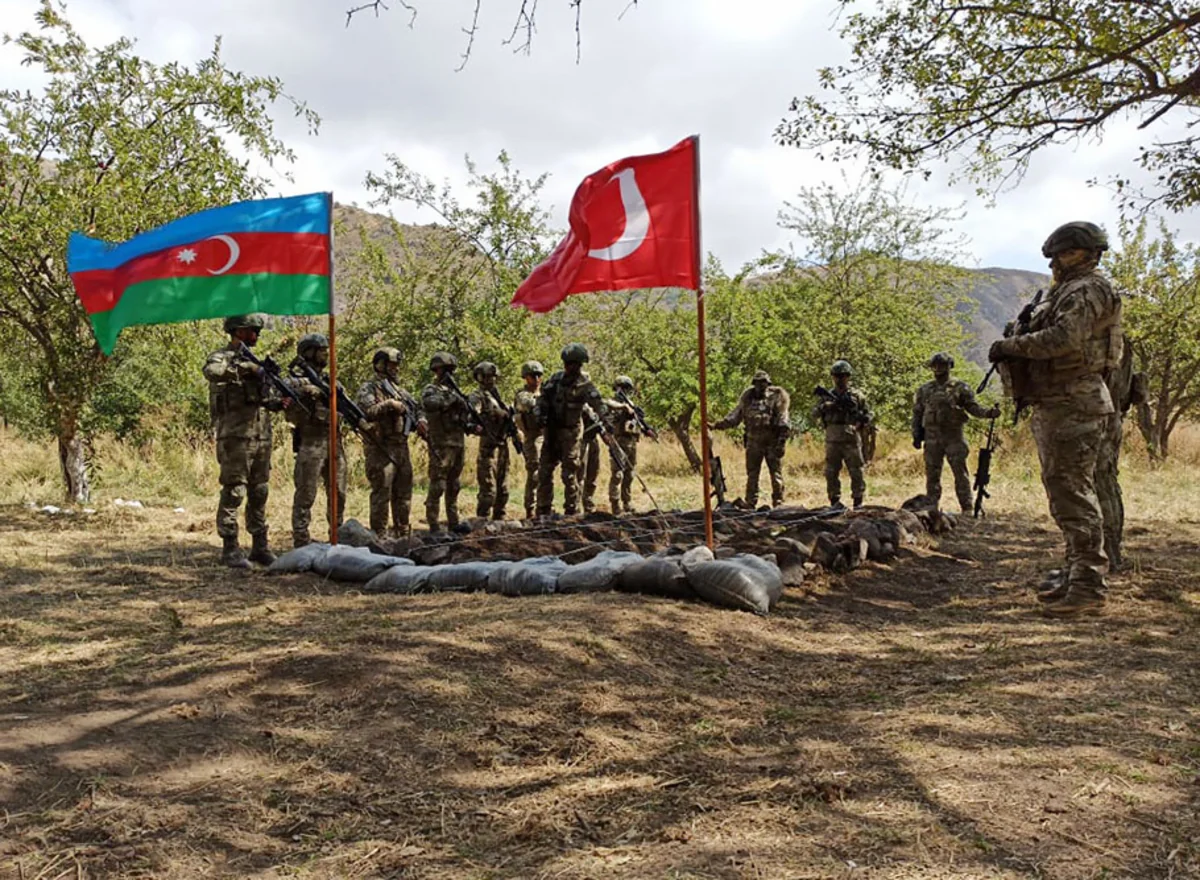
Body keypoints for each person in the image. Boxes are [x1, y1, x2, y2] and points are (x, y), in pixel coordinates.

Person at [988, 221, 1122, 617]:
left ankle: (1088, 587)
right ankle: (1076, 572)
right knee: (1066, 492)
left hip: (1073, 401)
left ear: (1082, 253)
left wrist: (1009, 346)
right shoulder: (1069, 289)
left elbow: (1065, 339)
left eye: (1064, 255)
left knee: (1073, 494)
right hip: (1060, 401)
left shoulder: (1086, 290)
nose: (1057, 263)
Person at [203, 314, 279, 568]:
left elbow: (266, 399)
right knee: (235, 491)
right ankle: (231, 548)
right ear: (236, 331)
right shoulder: (222, 357)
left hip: (261, 436)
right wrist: (243, 368)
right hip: (234, 436)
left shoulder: (257, 361)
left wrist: (278, 401)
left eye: (257, 331)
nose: (256, 335)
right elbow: (212, 372)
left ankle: (260, 546)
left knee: (260, 491)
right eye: (250, 331)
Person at [912, 352, 1001, 513]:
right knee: (932, 474)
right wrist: (916, 434)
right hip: (931, 437)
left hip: (954, 436)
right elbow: (917, 413)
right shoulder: (924, 389)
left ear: (949, 366)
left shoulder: (960, 388)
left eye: (942, 365)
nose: (939, 369)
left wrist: (988, 413)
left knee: (960, 473)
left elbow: (973, 407)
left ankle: (966, 506)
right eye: (936, 365)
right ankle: (932, 507)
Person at [284, 333, 347, 548]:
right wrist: (305, 390)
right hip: (311, 441)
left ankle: (337, 535)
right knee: (306, 492)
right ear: (309, 352)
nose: (326, 354)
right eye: (321, 350)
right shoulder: (297, 379)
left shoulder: (331, 381)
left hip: (334, 441)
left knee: (338, 491)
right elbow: (283, 393)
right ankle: (301, 539)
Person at [357, 347, 427, 539]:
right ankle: (380, 535)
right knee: (382, 493)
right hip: (381, 448)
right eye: (392, 364)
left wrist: (421, 421)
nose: (396, 368)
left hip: (401, 447)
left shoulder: (400, 390)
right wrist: (389, 405)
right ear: (381, 365)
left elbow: (417, 408)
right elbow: (367, 411)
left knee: (404, 492)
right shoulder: (369, 387)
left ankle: (402, 533)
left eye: (397, 364)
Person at [535, 343, 607, 516]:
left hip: (571, 434)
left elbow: (599, 404)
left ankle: (571, 510)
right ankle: (543, 510)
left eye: (576, 365)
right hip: (551, 432)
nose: (572, 368)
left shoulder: (585, 384)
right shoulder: (555, 379)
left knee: (570, 474)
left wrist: (606, 421)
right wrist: (540, 415)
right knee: (544, 471)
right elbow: (542, 399)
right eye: (569, 364)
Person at [711, 370, 790, 508]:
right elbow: (734, 417)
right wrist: (717, 425)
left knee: (776, 473)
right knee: (752, 474)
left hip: (771, 441)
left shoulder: (776, 397)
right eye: (757, 383)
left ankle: (778, 502)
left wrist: (781, 442)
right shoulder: (747, 398)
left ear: (768, 383)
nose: (760, 386)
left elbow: (784, 420)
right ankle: (750, 502)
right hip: (753, 441)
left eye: (763, 383)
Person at [421, 352, 481, 533]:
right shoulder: (431, 390)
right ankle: (433, 524)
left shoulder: (456, 393)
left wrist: (472, 425)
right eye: (444, 370)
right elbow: (430, 404)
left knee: (454, 485)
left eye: (450, 370)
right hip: (441, 444)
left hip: (457, 444)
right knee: (438, 485)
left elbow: (462, 420)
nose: (448, 374)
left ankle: (453, 522)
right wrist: (453, 399)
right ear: (437, 371)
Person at [812, 360, 872, 509]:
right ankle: (834, 501)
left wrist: (863, 420)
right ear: (832, 376)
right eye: (837, 375)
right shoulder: (827, 396)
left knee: (856, 471)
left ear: (848, 376)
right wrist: (826, 407)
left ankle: (858, 501)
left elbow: (869, 413)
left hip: (851, 436)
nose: (840, 378)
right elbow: (814, 413)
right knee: (831, 472)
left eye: (843, 375)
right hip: (832, 437)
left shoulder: (856, 396)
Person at [468, 361, 511, 521]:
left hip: (502, 445)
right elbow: (471, 417)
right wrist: (477, 426)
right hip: (488, 446)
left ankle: (500, 520)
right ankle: (482, 521)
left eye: (493, 377)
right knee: (488, 490)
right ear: (479, 378)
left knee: (503, 489)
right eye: (486, 377)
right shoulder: (477, 396)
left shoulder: (497, 396)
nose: (490, 380)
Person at [605, 376, 655, 514]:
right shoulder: (616, 403)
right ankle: (615, 505)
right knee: (618, 474)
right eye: (623, 388)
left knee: (630, 473)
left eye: (627, 388)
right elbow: (607, 403)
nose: (625, 391)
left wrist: (646, 429)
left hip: (631, 442)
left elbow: (639, 422)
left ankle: (627, 501)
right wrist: (623, 407)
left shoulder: (631, 404)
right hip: (618, 440)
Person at [513, 361, 544, 519]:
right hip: (532, 438)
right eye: (533, 375)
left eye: (539, 375)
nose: (537, 378)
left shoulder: (545, 393)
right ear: (526, 377)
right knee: (534, 474)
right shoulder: (522, 395)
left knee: (546, 474)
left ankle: (544, 508)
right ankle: (531, 510)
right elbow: (529, 405)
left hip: (546, 437)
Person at [576, 414, 602, 513]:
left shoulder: (596, 401)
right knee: (580, 475)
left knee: (593, 473)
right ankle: (577, 505)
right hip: (582, 440)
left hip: (593, 439)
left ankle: (588, 503)